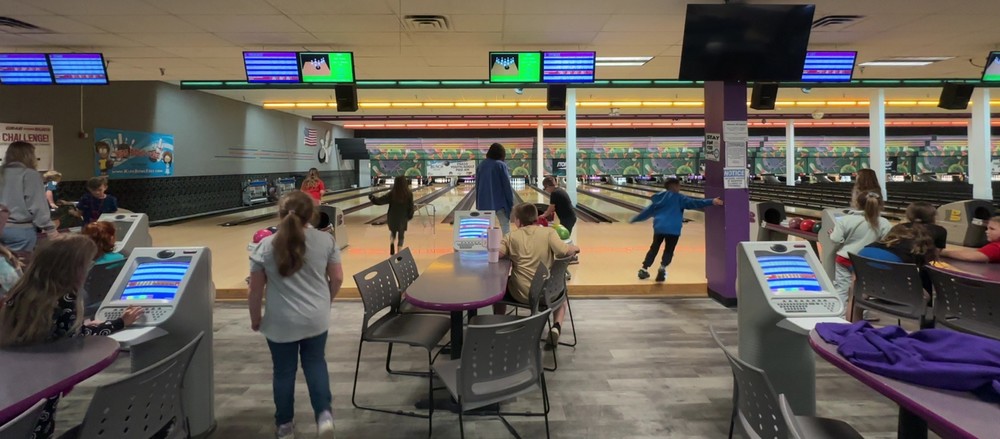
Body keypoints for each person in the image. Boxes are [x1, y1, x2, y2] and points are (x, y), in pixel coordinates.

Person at [0, 234, 144, 439]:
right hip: (47, 378)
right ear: (73, 268)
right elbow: (76, 338)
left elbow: (50, 331)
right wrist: (119, 322)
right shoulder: (66, 298)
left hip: (17, 377)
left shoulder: (21, 291)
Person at [248, 191, 344, 439]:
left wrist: (255, 318)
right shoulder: (326, 241)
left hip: (280, 322)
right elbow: (337, 278)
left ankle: (284, 426)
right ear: (311, 215)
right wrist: (325, 302)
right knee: (315, 363)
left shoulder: (264, 246)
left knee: (283, 372)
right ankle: (324, 416)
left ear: (280, 214)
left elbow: (255, 290)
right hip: (315, 318)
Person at [498, 203, 580, 344]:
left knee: (500, 288)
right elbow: (565, 251)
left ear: (518, 221)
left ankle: (499, 324)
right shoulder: (549, 233)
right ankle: (556, 327)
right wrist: (575, 248)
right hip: (548, 293)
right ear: (536, 217)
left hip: (522, 294)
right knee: (561, 293)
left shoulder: (510, 236)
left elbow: (497, 254)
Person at [629, 178, 723, 282]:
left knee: (654, 248)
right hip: (673, 229)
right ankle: (662, 268)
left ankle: (644, 269)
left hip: (659, 228)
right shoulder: (680, 198)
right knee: (669, 250)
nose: (680, 187)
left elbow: (647, 212)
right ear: (674, 186)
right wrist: (712, 201)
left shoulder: (659, 198)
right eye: (678, 185)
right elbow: (695, 203)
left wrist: (635, 219)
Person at [829, 190, 892, 319]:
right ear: (879, 205)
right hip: (867, 262)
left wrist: (833, 235)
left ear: (856, 203)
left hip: (845, 259)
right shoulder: (884, 222)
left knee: (842, 289)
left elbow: (835, 239)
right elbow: (887, 242)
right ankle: (861, 316)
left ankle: (840, 317)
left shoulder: (845, 219)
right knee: (864, 290)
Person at [0, 141, 57, 252]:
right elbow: (37, 205)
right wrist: (50, 229)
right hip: (20, 230)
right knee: (20, 262)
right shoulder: (30, 174)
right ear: (29, 156)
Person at [368, 176, 415, 255]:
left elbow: (381, 200)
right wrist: (410, 215)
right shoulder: (409, 194)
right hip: (402, 217)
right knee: (401, 235)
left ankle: (392, 242)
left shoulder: (392, 193)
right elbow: (411, 206)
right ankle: (399, 252)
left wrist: (372, 198)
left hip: (392, 216)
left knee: (393, 232)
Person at [475, 142, 515, 234]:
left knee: (486, 228)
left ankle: (487, 242)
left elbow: (477, 186)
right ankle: (506, 243)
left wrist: (478, 204)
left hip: (484, 203)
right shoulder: (500, 165)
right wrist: (511, 202)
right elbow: (507, 186)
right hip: (500, 203)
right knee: (505, 226)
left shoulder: (481, 165)